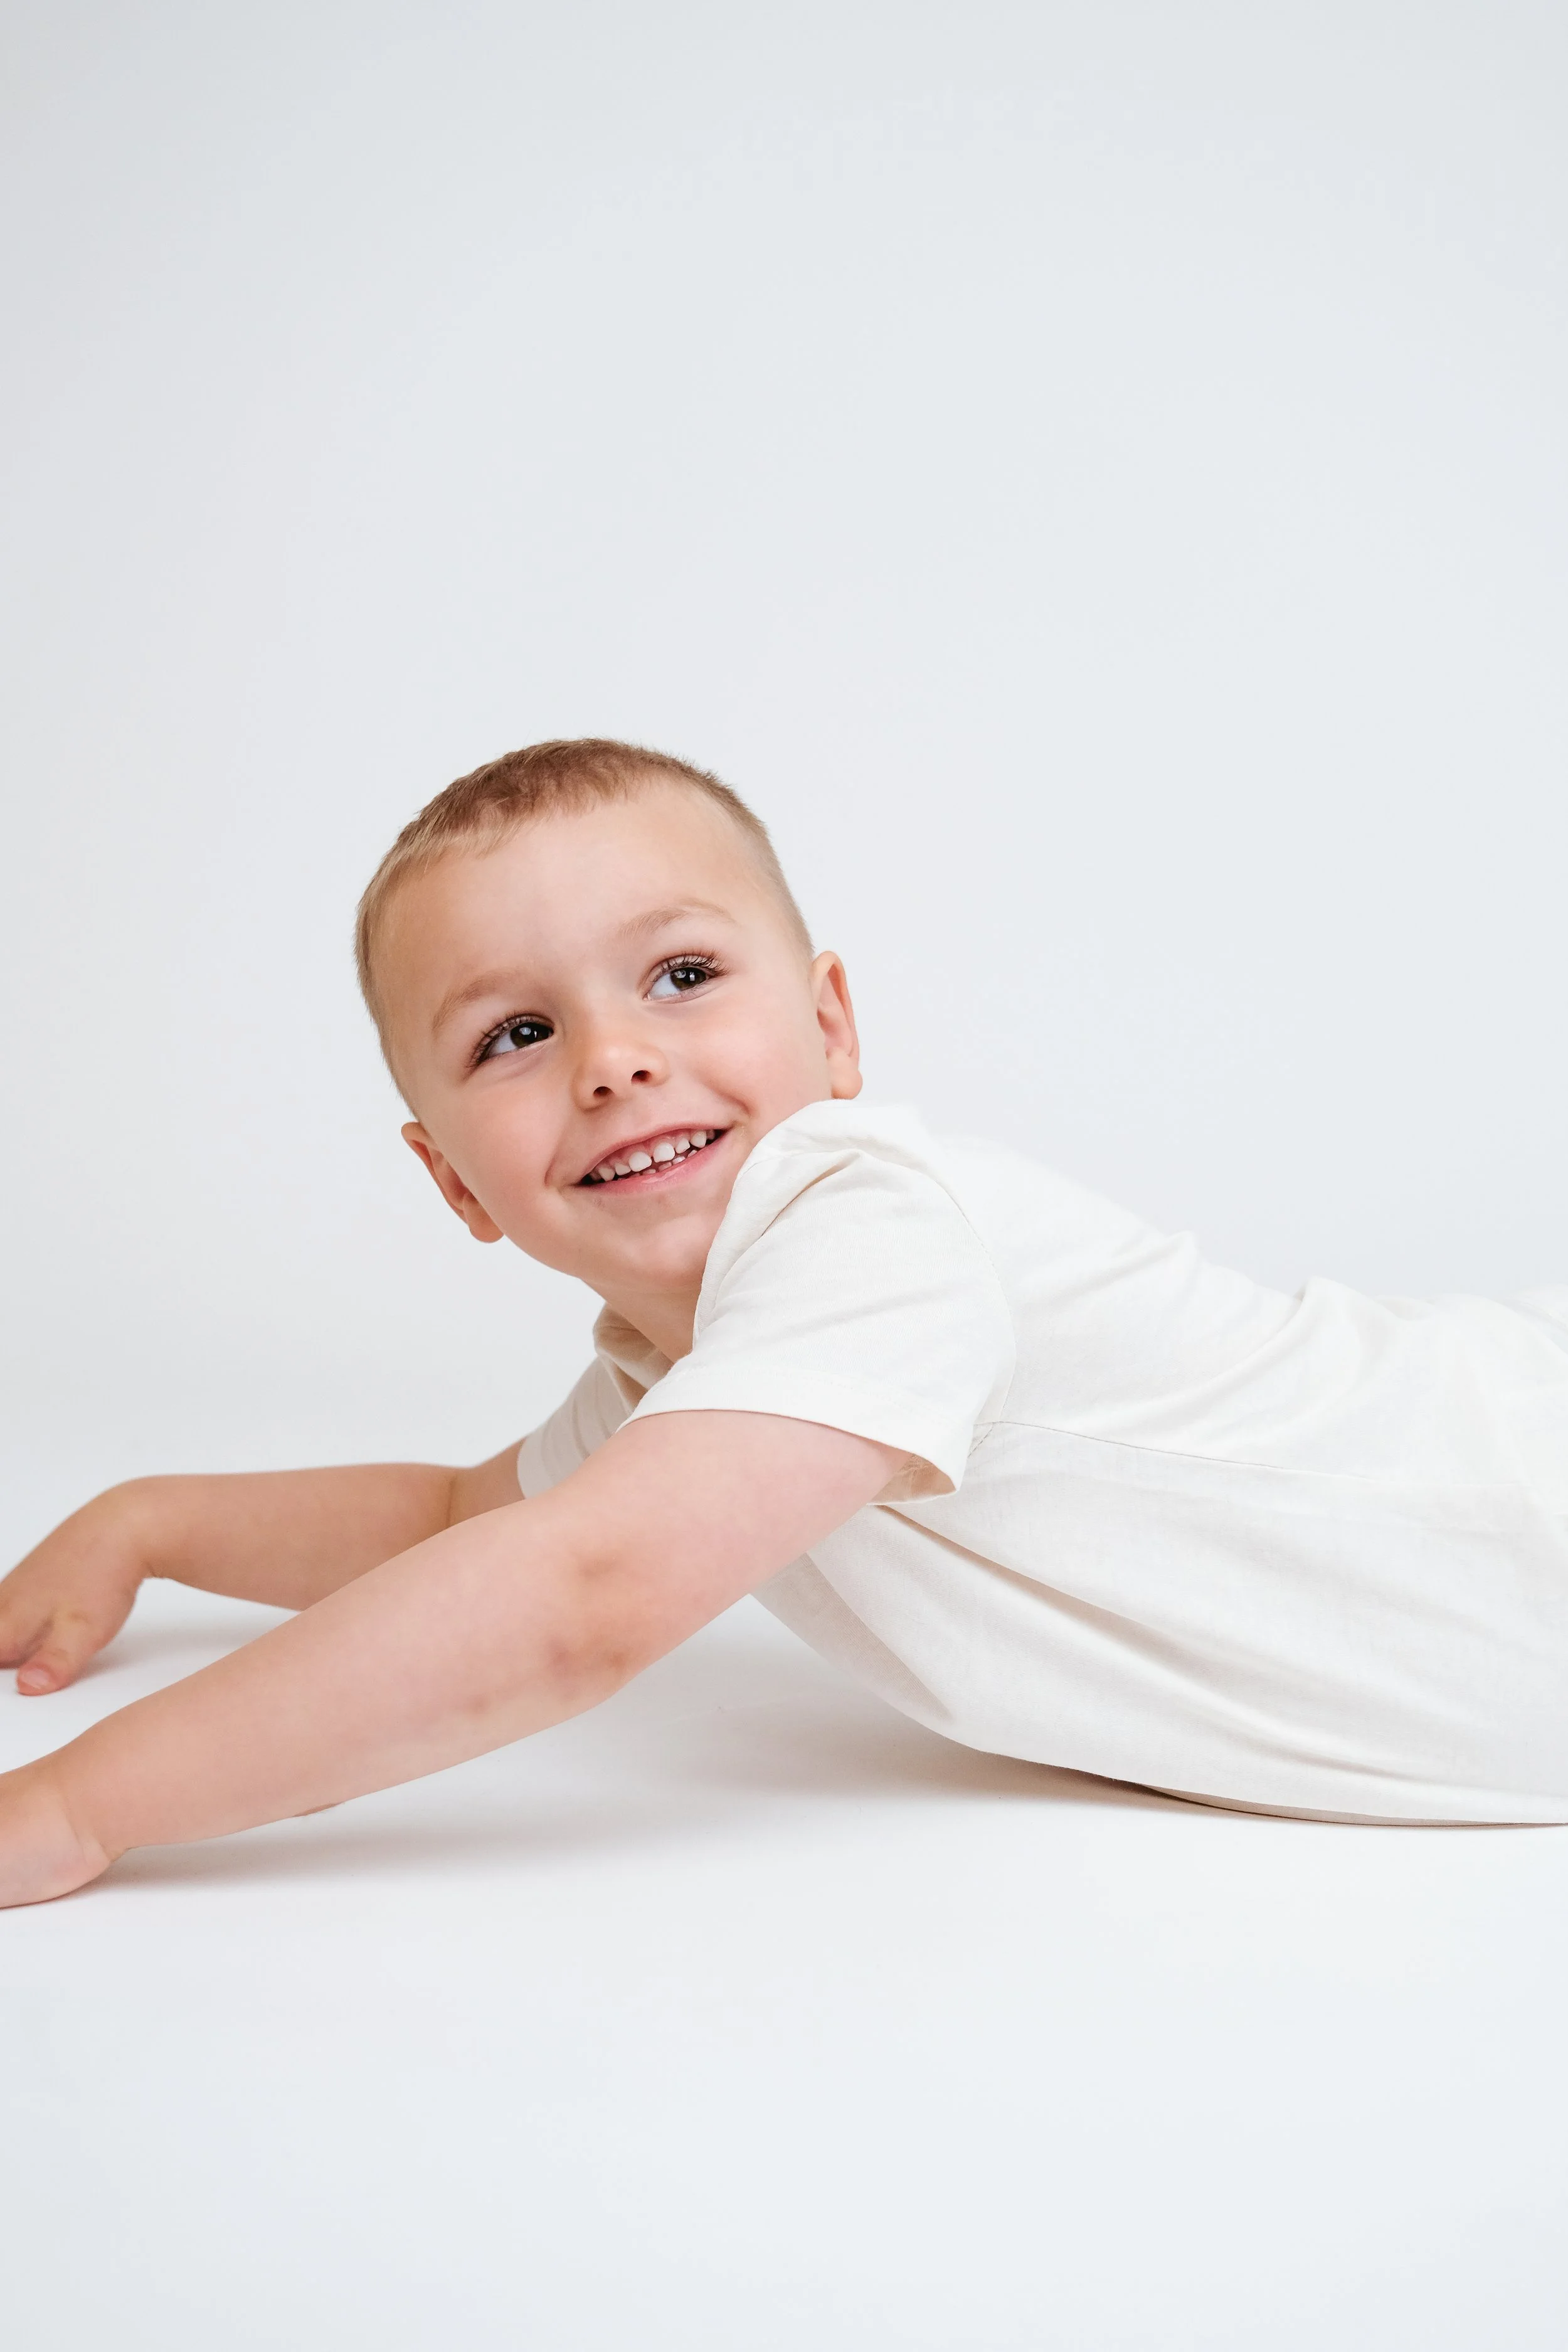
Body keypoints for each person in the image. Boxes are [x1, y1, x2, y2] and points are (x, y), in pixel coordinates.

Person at [3, 739, 1568, 1908]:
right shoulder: (692, 1381)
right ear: (452, 1180)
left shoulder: (866, 1225)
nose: (613, 1058)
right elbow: (455, 1520)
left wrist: (78, 1807)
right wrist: (149, 1522)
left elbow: (573, 1601)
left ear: (830, 1030)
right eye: (515, 1034)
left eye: (680, 974)